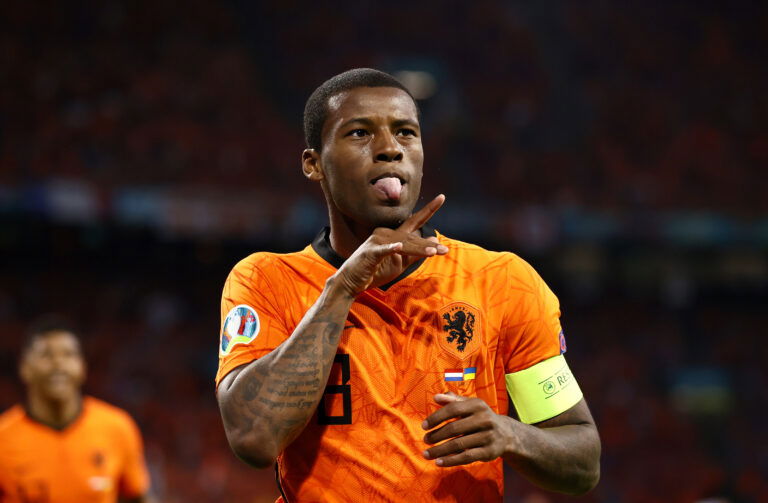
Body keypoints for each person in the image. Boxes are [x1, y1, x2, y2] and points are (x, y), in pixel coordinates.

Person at [216, 68, 601, 502]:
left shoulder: (502, 281)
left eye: (406, 133)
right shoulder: (267, 280)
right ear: (313, 164)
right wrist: (342, 289)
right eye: (360, 133)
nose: (389, 149)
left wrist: (513, 435)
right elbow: (253, 440)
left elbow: (582, 461)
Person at [0, 318, 151, 503]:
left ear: (82, 367)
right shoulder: (3, 438)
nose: (58, 364)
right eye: (46, 355)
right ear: (25, 368)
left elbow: (136, 496)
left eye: (68, 354)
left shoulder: (116, 427)